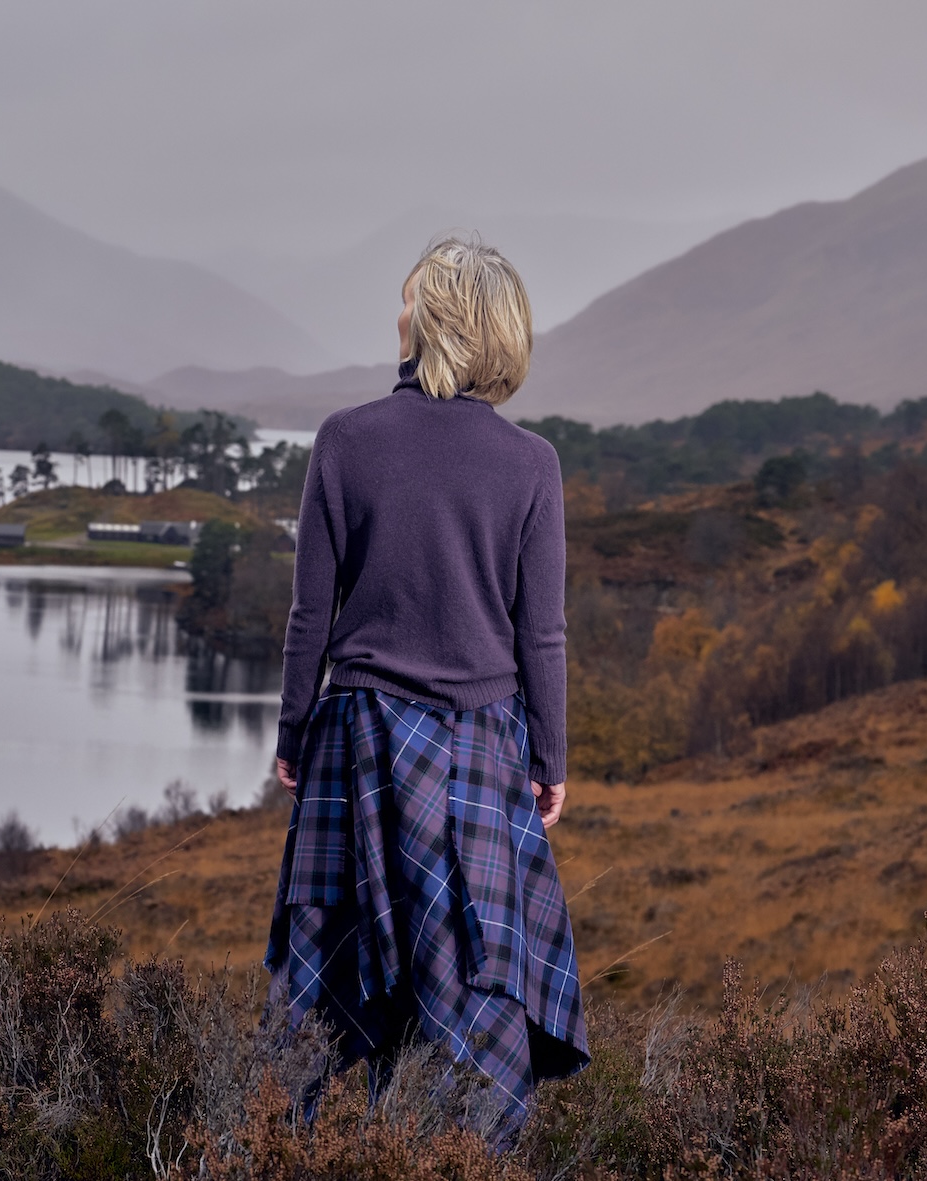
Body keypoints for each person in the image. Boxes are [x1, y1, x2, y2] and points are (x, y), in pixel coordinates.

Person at [267, 234, 588, 1135]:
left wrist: (294, 734)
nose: (397, 316)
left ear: (438, 322)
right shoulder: (532, 464)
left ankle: (312, 1144)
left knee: (333, 983)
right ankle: (465, 1154)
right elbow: (543, 634)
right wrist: (551, 754)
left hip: (357, 741)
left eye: (409, 301)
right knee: (472, 979)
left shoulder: (345, 439)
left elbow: (309, 617)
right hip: (483, 746)